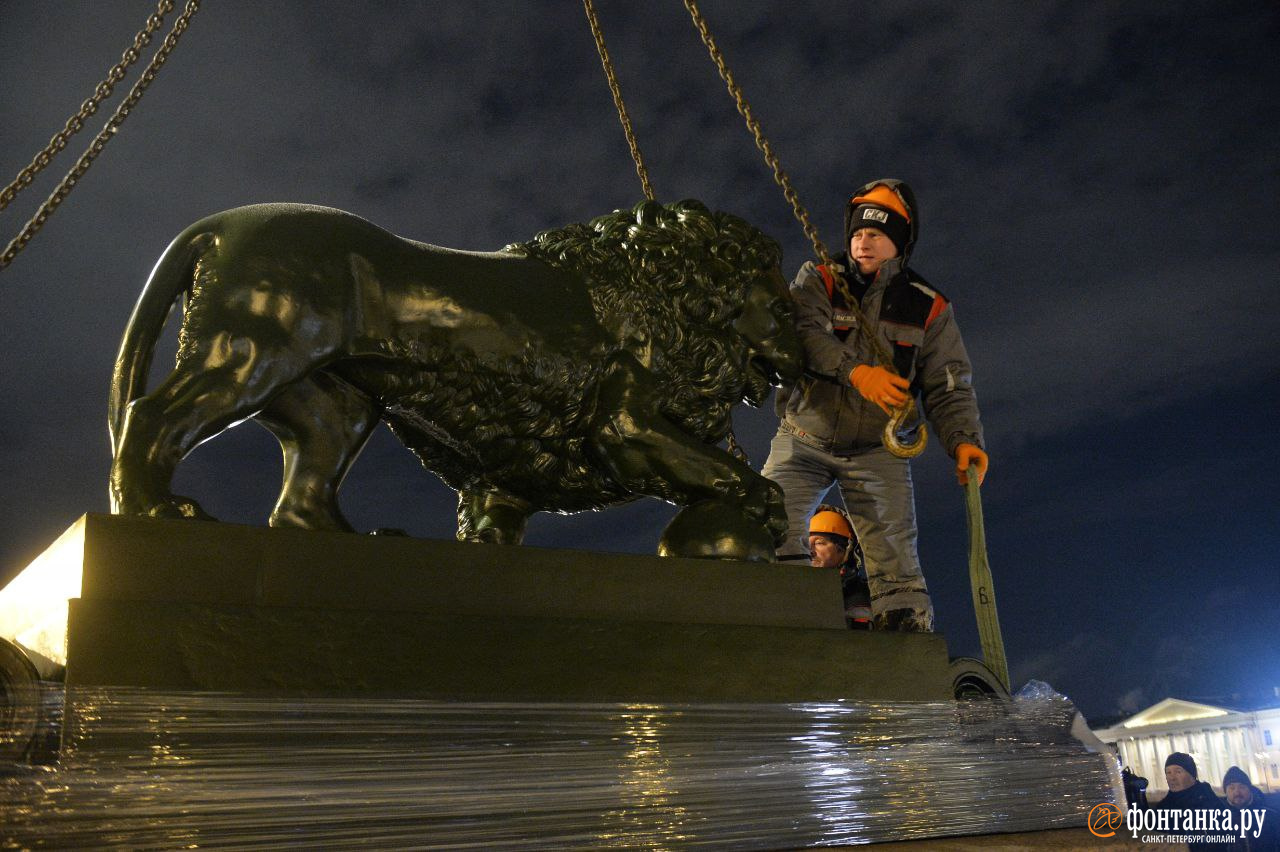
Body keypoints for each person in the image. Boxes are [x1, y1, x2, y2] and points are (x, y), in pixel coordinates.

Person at [761, 179, 988, 632]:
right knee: (765, 521)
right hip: (803, 438)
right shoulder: (819, 279)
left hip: (876, 450)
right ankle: (782, 622)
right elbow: (804, 333)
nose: (864, 241)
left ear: (899, 246)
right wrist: (856, 372)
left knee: (895, 560)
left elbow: (948, 386)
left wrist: (963, 441)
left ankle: (901, 653)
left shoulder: (929, 308)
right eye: (859, 233)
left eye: (878, 234)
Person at [807, 504, 871, 629]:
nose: (810, 550)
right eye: (807, 543)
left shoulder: (858, 595)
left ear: (843, 550)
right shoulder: (795, 587)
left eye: (819, 543)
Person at [1222, 765, 1279, 851]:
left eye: (1242, 787)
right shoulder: (1219, 818)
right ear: (1225, 791)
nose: (1237, 792)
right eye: (1232, 788)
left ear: (1249, 789)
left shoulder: (1270, 815)